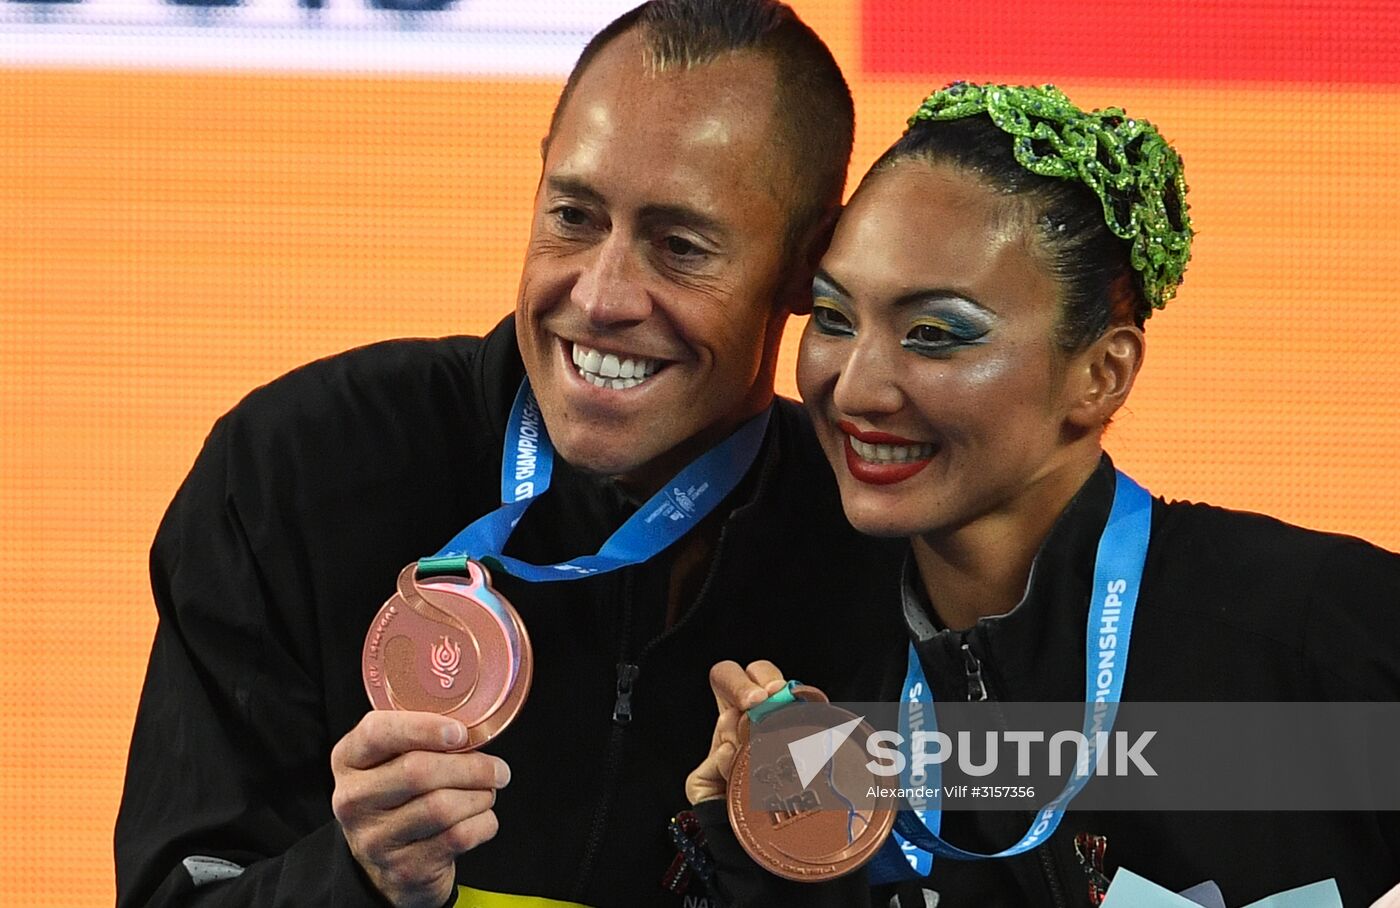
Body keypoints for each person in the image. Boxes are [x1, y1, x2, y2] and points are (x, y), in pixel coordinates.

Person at [112, 3, 906, 906]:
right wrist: (356, 878)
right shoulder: (299, 467)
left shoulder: (878, 547)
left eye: (679, 247)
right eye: (574, 215)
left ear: (808, 267)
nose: (601, 296)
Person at [685, 82, 1400, 907]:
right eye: (835, 317)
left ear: (1103, 374)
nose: (857, 389)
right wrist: (755, 862)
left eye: (936, 334)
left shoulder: (1307, 632)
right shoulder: (808, 683)